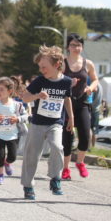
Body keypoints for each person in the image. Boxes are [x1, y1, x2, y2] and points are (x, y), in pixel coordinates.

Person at [21, 45, 74, 200]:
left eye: (44, 67)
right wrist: (37, 96)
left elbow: (67, 98)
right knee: (32, 154)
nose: (41, 70)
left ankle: (55, 178)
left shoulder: (66, 82)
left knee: (57, 147)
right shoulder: (40, 81)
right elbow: (25, 97)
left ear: (57, 64)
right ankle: (28, 185)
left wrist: (71, 117)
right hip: (38, 123)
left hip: (55, 122)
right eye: (40, 67)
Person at [61, 33, 98, 180]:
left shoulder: (88, 64)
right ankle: (65, 168)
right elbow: (55, 79)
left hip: (82, 103)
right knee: (67, 138)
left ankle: (80, 162)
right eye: (73, 45)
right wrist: (68, 84)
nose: (76, 48)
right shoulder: (63, 63)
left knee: (85, 136)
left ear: (82, 47)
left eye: (79, 45)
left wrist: (91, 87)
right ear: (68, 47)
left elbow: (95, 80)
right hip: (66, 103)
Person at [0, 77, 27, 184]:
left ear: (10, 91)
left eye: (1, 89)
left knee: (12, 157)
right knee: (0, 156)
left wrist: (17, 119)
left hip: (13, 135)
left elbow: (26, 116)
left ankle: (7, 163)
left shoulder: (17, 105)